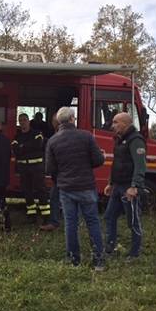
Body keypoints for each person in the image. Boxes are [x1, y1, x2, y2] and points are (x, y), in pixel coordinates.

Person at [46, 107, 105, 270]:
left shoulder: (53, 141)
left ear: (59, 121)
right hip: (86, 186)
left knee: (70, 224)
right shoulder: (86, 136)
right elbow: (98, 160)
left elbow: (50, 168)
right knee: (92, 222)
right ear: (72, 118)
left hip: (66, 188)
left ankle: (74, 260)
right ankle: (98, 261)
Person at [103, 112, 147, 260]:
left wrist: (134, 186)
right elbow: (116, 164)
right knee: (109, 216)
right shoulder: (118, 140)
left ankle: (135, 253)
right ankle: (110, 248)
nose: (112, 125)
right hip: (117, 186)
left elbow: (140, 165)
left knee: (133, 221)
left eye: (116, 122)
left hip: (129, 187)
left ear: (126, 123)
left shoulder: (136, 140)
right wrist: (110, 183)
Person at [12, 113, 50, 225]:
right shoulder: (17, 136)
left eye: (24, 120)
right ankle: (31, 215)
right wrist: (26, 147)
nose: (22, 122)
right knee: (26, 191)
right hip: (24, 168)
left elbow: (38, 145)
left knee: (41, 190)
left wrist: (22, 147)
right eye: (20, 120)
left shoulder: (37, 133)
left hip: (37, 167)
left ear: (29, 121)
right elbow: (15, 150)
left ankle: (46, 216)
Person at [40, 113, 61, 232]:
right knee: (55, 197)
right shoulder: (57, 135)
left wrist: (49, 171)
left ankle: (55, 222)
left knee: (56, 198)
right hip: (61, 176)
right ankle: (55, 222)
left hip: (61, 175)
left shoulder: (57, 137)